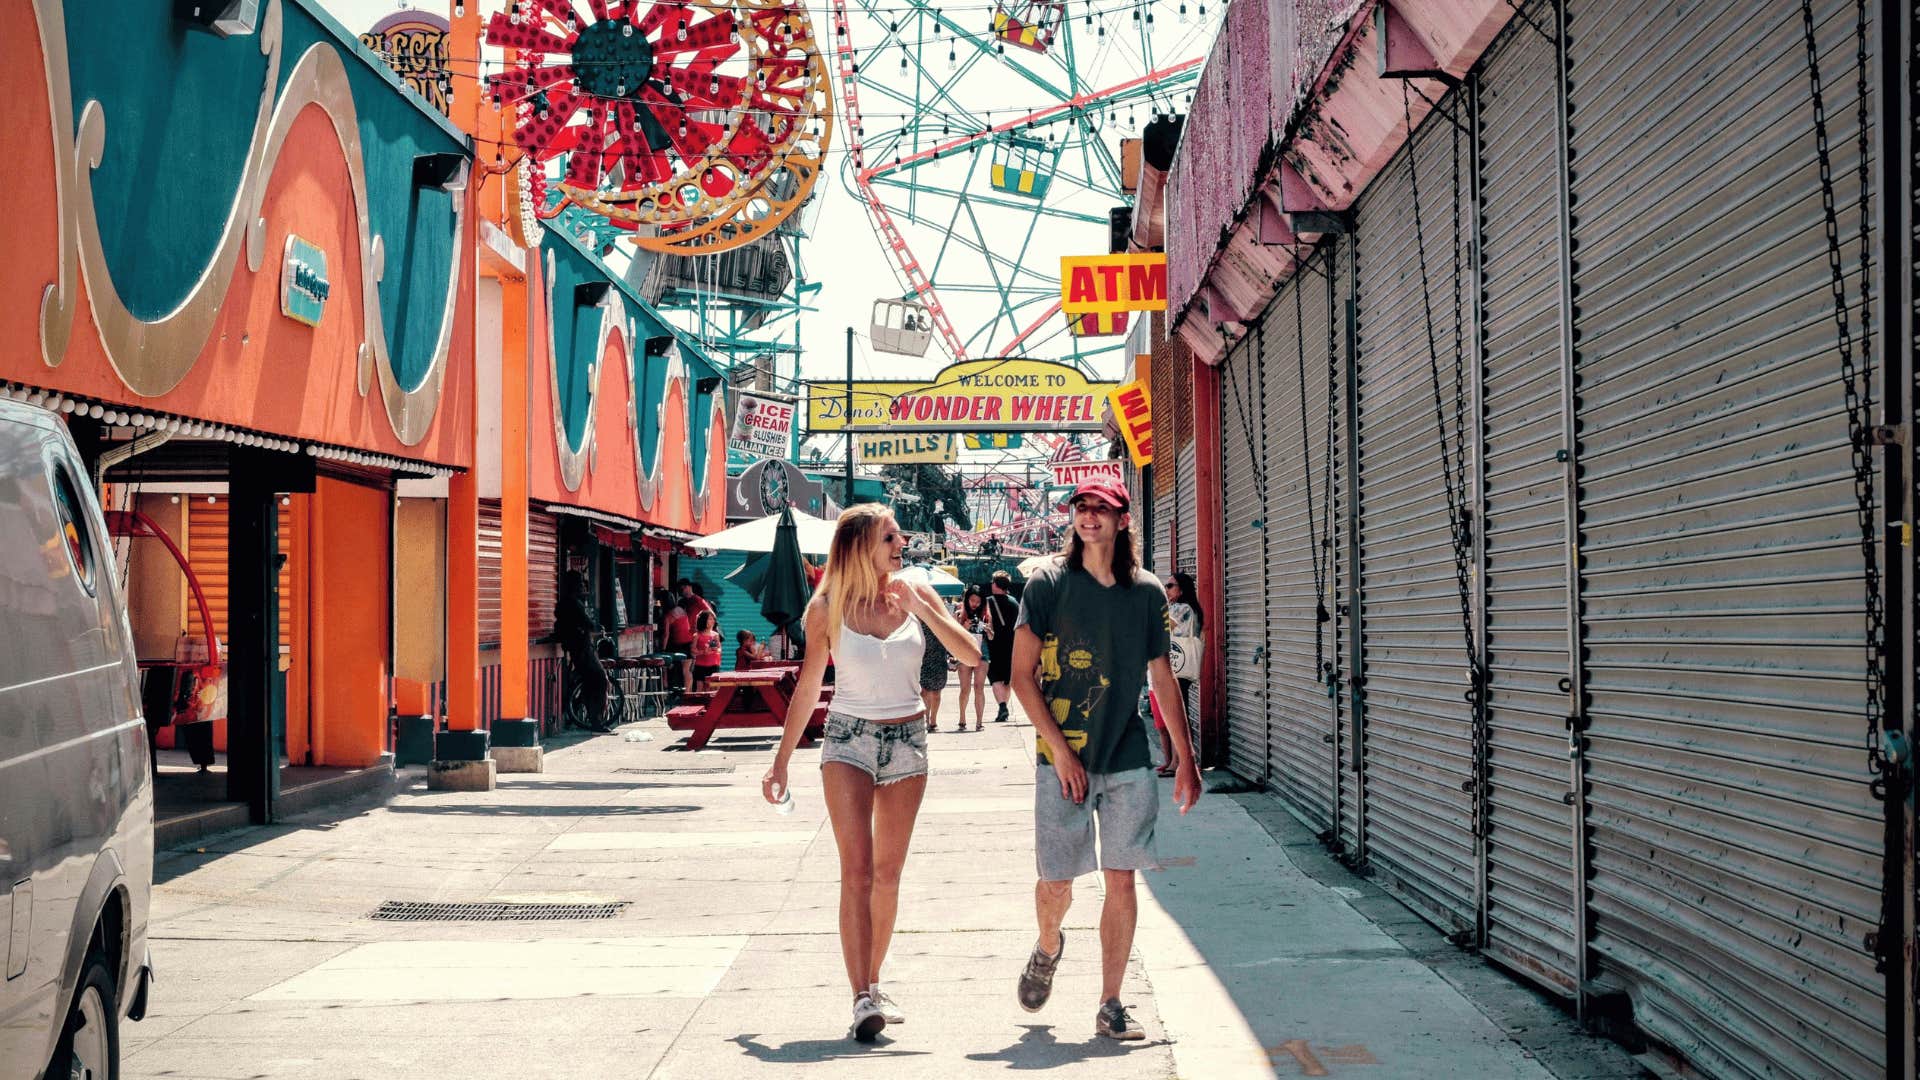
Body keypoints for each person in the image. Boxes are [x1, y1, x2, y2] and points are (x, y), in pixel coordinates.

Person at [761, 505, 981, 1042]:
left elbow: (971, 654)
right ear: (861, 544)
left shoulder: (917, 593)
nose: (900, 543)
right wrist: (782, 758)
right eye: (890, 537)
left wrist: (924, 611)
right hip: (847, 741)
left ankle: (875, 981)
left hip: (908, 742)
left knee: (887, 875)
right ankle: (861, 996)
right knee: (856, 872)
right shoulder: (827, 606)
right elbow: (811, 685)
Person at [1010, 479, 1200, 1041]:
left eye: (1101, 508)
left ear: (1122, 521)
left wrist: (1185, 759)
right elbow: (1022, 677)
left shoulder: (1145, 593)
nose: (1089, 517)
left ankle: (1111, 1002)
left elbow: (1162, 678)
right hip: (1060, 760)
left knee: (1122, 880)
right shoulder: (1047, 585)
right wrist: (1061, 753)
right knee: (1058, 883)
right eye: (1081, 507)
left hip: (1127, 757)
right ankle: (1048, 945)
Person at [1156, 572, 1204, 777]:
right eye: (1165, 585)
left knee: (1178, 714)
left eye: (1170, 585)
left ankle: (1182, 762)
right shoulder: (1175, 607)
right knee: (1175, 713)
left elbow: (1162, 626)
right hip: (1175, 666)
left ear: (1182, 589)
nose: (1166, 589)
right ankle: (1177, 760)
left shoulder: (1183, 608)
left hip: (1179, 668)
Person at [556, 570, 611, 732]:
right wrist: (595, 626)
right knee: (599, 679)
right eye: (580, 583)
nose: (582, 586)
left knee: (588, 681)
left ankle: (579, 710)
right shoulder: (574, 603)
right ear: (574, 585)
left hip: (575, 648)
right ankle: (596, 720)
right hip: (582, 648)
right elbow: (587, 623)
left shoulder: (564, 602)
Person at [983, 570, 1020, 722]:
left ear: (996, 585)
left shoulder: (988, 602)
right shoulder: (1014, 602)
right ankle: (1004, 706)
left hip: (994, 645)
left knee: (996, 678)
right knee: (1007, 678)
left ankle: (1002, 706)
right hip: (1012, 645)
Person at [954, 586, 989, 732]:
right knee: (965, 688)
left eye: (978, 601)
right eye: (972, 600)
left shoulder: (986, 615)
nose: (975, 604)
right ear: (967, 599)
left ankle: (979, 721)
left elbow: (992, 636)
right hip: (965, 651)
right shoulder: (959, 614)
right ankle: (962, 719)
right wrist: (964, 627)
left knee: (979, 687)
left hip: (982, 652)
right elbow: (954, 635)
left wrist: (988, 629)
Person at [918, 607, 952, 733]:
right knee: (924, 691)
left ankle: (933, 720)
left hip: (939, 658)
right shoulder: (919, 621)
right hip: (923, 658)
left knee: (937, 692)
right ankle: (926, 720)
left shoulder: (942, 622)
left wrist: (951, 656)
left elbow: (949, 639)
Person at [662, 595, 693, 691]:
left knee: (666, 664)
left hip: (677, 644)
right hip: (688, 642)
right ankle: (688, 693)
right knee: (686, 670)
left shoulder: (668, 616)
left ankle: (667, 686)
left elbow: (666, 635)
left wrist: (663, 649)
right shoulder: (681, 610)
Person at [691, 610, 723, 690]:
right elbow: (692, 650)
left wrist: (715, 649)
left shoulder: (715, 635)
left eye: (713, 619)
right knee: (700, 688)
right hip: (700, 665)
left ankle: (713, 702)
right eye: (710, 619)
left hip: (714, 664)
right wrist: (703, 652)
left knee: (714, 687)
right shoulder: (697, 635)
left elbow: (719, 649)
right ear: (703, 620)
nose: (713, 621)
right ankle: (699, 702)